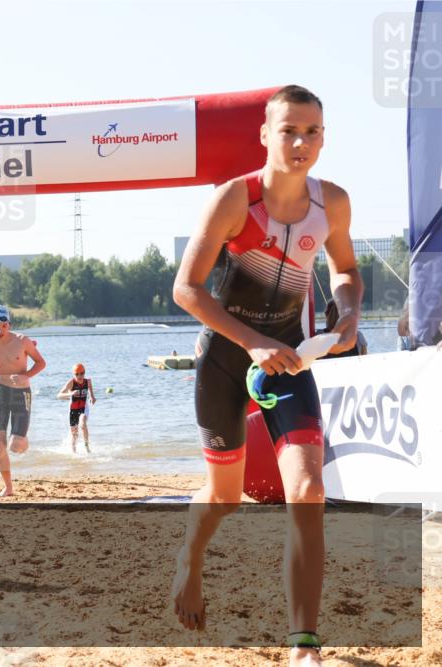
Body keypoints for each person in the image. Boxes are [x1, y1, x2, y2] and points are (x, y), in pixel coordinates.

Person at [170, 86, 362, 666]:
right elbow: (186, 289)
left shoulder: (333, 203)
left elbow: (346, 268)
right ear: (265, 135)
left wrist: (348, 313)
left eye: (312, 132)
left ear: (323, 138)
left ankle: (304, 645)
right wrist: (251, 342)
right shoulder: (234, 198)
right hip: (227, 359)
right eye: (289, 131)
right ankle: (191, 559)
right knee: (226, 499)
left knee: (308, 491)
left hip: (290, 360)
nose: (301, 142)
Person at [0, 305, 46, 498]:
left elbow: (41, 363)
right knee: (0, 444)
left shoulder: (22, 341)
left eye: (4, 325)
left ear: (9, 324)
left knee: (16, 446)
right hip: (1, 394)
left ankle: (23, 439)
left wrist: (27, 376)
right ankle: (8, 487)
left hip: (21, 394)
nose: (0, 329)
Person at [57, 363, 95, 452]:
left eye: (82, 373)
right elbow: (59, 395)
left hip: (83, 407)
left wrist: (92, 397)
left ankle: (87, 447)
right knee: (74, 434)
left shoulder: (88, 381)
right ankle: (74, 452)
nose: (79, 376)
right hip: (73, 409)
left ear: (84, 373)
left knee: (82, 423)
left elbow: (90, 390)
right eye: (77, 374)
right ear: (74, 374)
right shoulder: (71, 382)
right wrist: (71, 393)